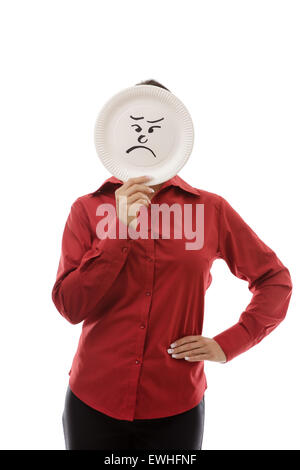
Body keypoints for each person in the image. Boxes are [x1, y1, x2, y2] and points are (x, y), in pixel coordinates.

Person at [52, 79, 293, 450]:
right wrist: (120, 230)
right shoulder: (86, 209)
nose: (145, 136)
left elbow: (274, 279)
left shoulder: (210, 210)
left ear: (176, 137)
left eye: (157, 126)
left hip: (176, 406)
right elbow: (70, 307)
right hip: (92, 400)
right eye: (135, 126)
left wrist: (230, 343)